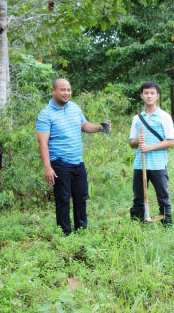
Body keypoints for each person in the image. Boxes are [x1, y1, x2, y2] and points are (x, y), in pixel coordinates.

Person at [36, 78, 111, 235]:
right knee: (63, 200)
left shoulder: (75, 108)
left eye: (69, 89)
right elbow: (42, 143)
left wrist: (99, 127)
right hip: (60, 164)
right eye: (63, 90)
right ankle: (65, 233)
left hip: (78, 162)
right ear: (53, 91)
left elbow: (84, 125)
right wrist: (47, 167)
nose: (67, 93)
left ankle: (82, 230)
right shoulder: (46, 114)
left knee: (81, 198)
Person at [129, 81, 174, 226]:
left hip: (158, 164)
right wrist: (138, 140)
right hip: (139, 164)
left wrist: (149, 147)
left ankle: (167, 225)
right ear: (141, 96)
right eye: (146, 93)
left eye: (152, 93)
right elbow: (131, 143)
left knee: (163, 196)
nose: (149, 96)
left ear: (157, 96)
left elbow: (171, 142)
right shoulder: (137, 118)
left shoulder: (164, 116)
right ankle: (138, 225)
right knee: (138, 197)